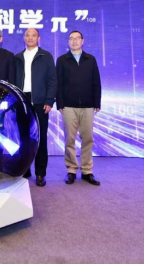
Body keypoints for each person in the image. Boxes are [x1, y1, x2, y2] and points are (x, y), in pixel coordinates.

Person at [56, 31, 102, 186]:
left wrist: (97, 102)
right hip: (68, 106)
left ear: (82, 41)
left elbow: (96, 81)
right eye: (71, 39)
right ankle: (71, 170)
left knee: (88, 138)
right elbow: (58, 83)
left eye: (77, 39)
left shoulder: (90, 59)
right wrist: (60, 103)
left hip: (88, 105)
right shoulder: (62, 60)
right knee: (69, 139)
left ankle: (87, 171)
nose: (74, 41)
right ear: (68, 42)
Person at [13, 28, 56, 187]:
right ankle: (24, 170)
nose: (30, 38)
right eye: (27, 35)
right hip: (22, 100)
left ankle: (40, 173)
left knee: (40, 138)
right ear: (24, 38)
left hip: (40, 101)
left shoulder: (46, 56)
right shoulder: (17, 57)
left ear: (39, 38)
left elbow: (52, 80)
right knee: (23, 137)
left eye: (33, 35)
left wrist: (49, 100)